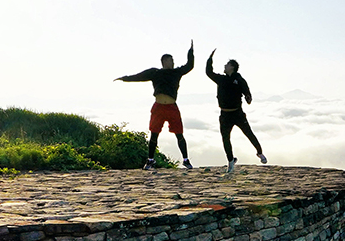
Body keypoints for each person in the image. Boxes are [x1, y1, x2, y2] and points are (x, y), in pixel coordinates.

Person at [114, 41, 195, 169]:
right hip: (158, 107)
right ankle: (150, 160)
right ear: (164, 61)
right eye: (171, 60)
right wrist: (125, 78)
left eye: (173, 60)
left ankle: (185, 160)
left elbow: (189, 66)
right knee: (154, 133)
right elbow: (139, 76)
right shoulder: (155, 72)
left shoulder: (177, 72)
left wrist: (191, 52)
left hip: (172, 107)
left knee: (179, 133)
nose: (173, 63)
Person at [205, 49, 267, 177]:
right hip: (224, 114)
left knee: (248, 133)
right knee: (225, 138)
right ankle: (230, 160)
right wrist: (210, 59)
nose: (224, 67)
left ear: (232, 67)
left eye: (227, 65)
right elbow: (208, 72)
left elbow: (247, 92)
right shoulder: (221, 79)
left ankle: (260, 153)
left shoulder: (239, 79)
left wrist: (248, 98)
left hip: (237, 113)